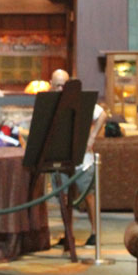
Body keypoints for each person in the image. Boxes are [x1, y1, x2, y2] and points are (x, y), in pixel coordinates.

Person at [48, 69, 108, 247]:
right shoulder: (49, 102)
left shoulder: (80, 99)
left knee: (88, 195)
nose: (60, 89)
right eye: (57, 85)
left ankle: (95, 232)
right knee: (64, 197)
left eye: (63, 85)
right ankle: (69, 234)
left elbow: (102, 115)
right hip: (60, 157)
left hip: (83, 158)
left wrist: (92, 137)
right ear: (51, 84)